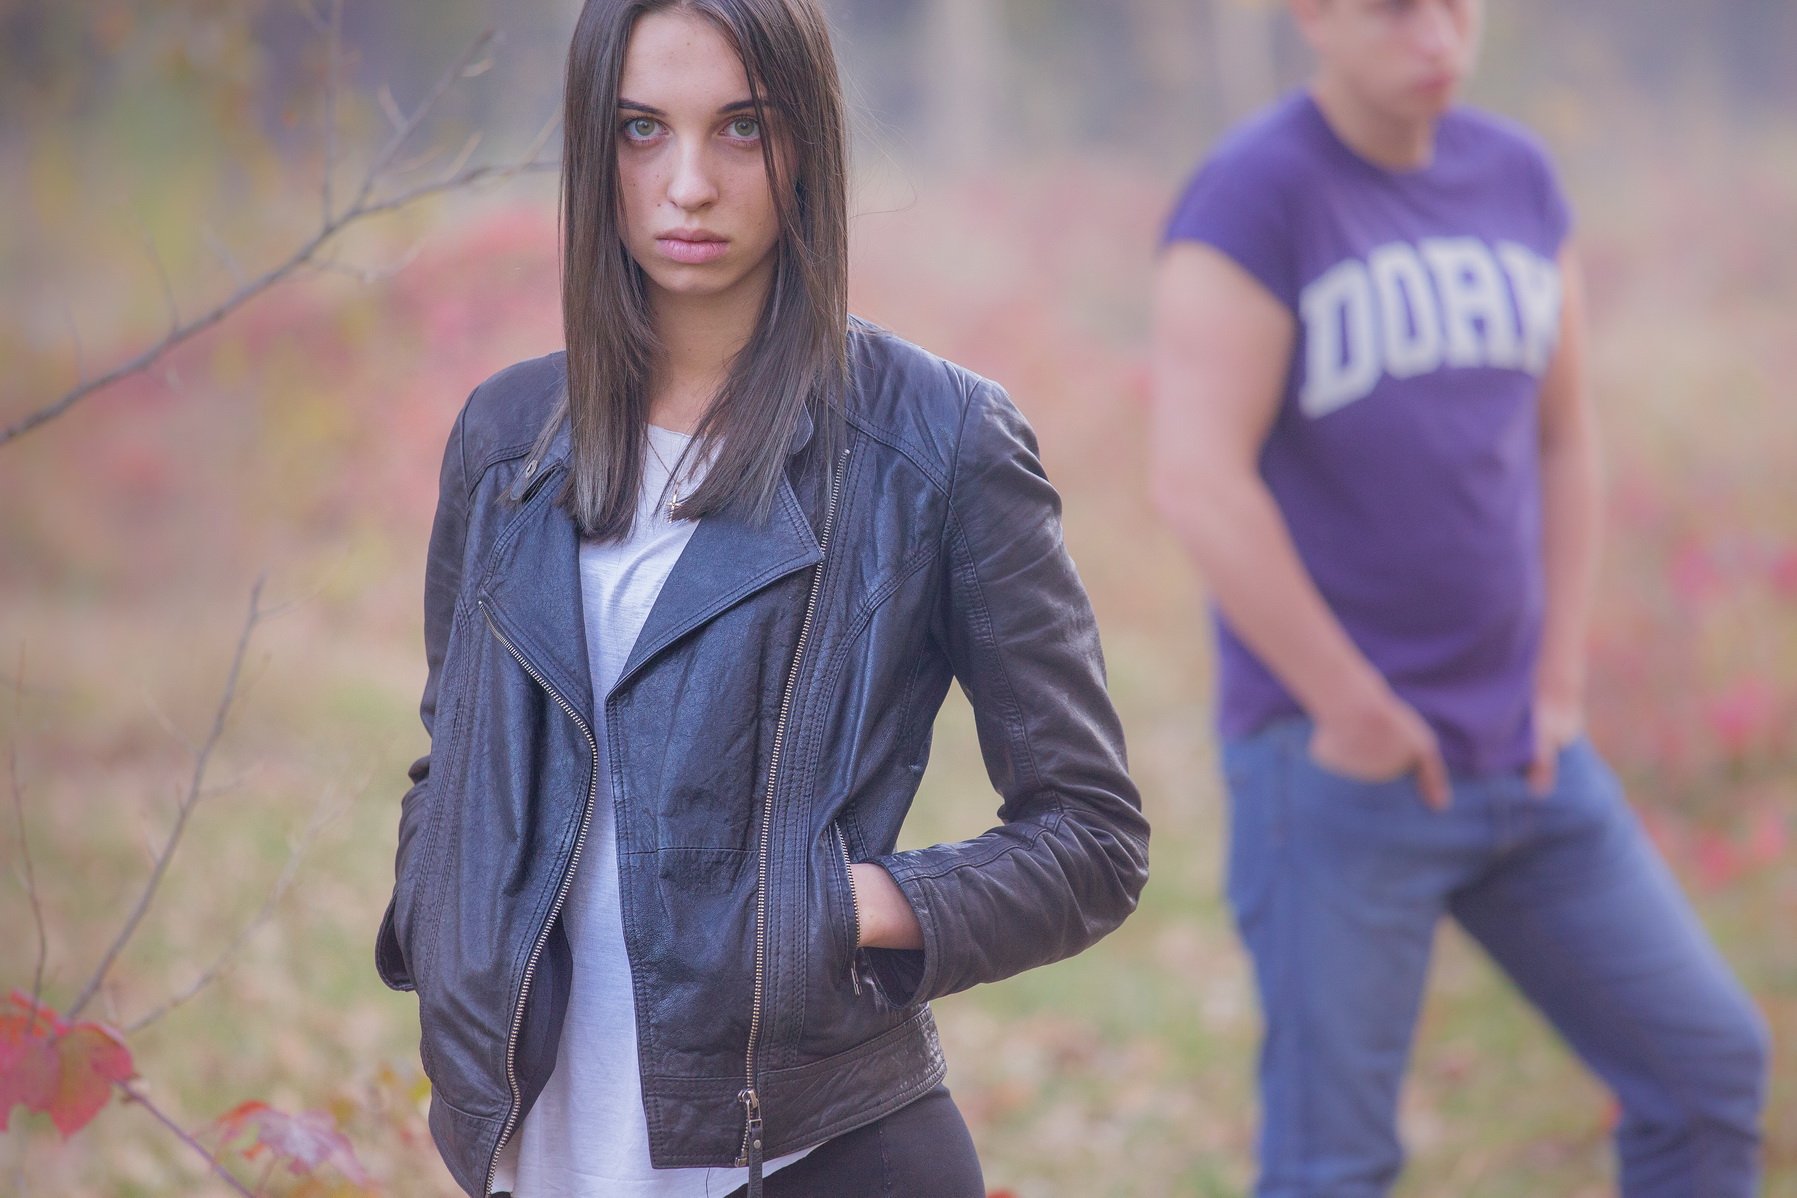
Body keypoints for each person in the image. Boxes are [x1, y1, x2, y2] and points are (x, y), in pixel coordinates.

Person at [373, 1, 1148, 1196]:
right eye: (642, 129)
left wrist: (837, 908)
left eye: (742, 127)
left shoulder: (936, 443)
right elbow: (455, 758)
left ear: (807, 147)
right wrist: (443, 907)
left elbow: (1092, 838)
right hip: (544, 1154)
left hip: (820, 1153)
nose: (688, 184)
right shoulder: (505, 439)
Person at [1149, 1, 1768, 1194]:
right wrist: (1352, 708)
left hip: (1529, 758)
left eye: (1455, 3)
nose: (1437, 34)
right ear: (1315, 14)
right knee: (1336, 1164)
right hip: (1338, 771)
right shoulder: (1254, 196)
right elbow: (1198, 478)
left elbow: (1565, 438)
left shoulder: (1517, 175)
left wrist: (1560, 677)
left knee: (1704, 1068)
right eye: (1396, 7)